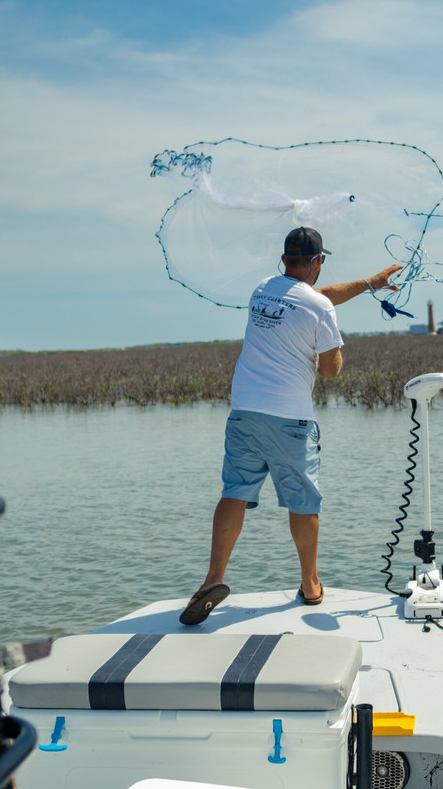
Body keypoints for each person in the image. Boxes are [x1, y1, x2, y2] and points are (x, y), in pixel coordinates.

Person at [179, 227, 403, 625]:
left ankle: (212, 579)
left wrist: (371, 284)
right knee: (304, 500)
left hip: (244, 411)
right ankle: (311, 584)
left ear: (285, 260)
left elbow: (315, 299)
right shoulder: (320, 310)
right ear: (317, 262)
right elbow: (331, 368)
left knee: (234, 492)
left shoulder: (262, 289)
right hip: (290, 419)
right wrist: (325, 351)